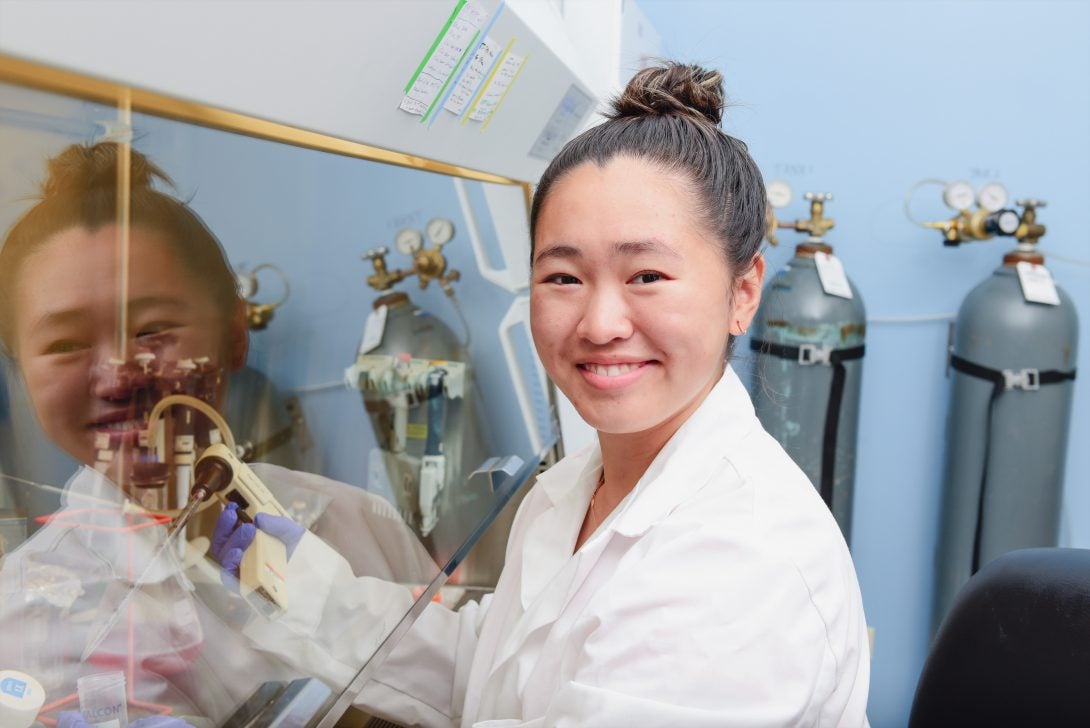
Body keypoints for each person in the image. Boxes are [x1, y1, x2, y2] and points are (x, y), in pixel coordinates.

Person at [222, 62, 871, 726]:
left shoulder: (736, 564)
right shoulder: (576, 488)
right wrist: (299, 590)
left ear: (743, 292)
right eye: (563, 277)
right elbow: (498, 671)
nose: (599, 324)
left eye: (647, 274)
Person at [0, 142, 435, 726]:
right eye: (64, 345)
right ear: (21, 371)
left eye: (153, 329)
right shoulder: (19, 619)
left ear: (235, 334)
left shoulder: (358, 524)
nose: (118, 376)